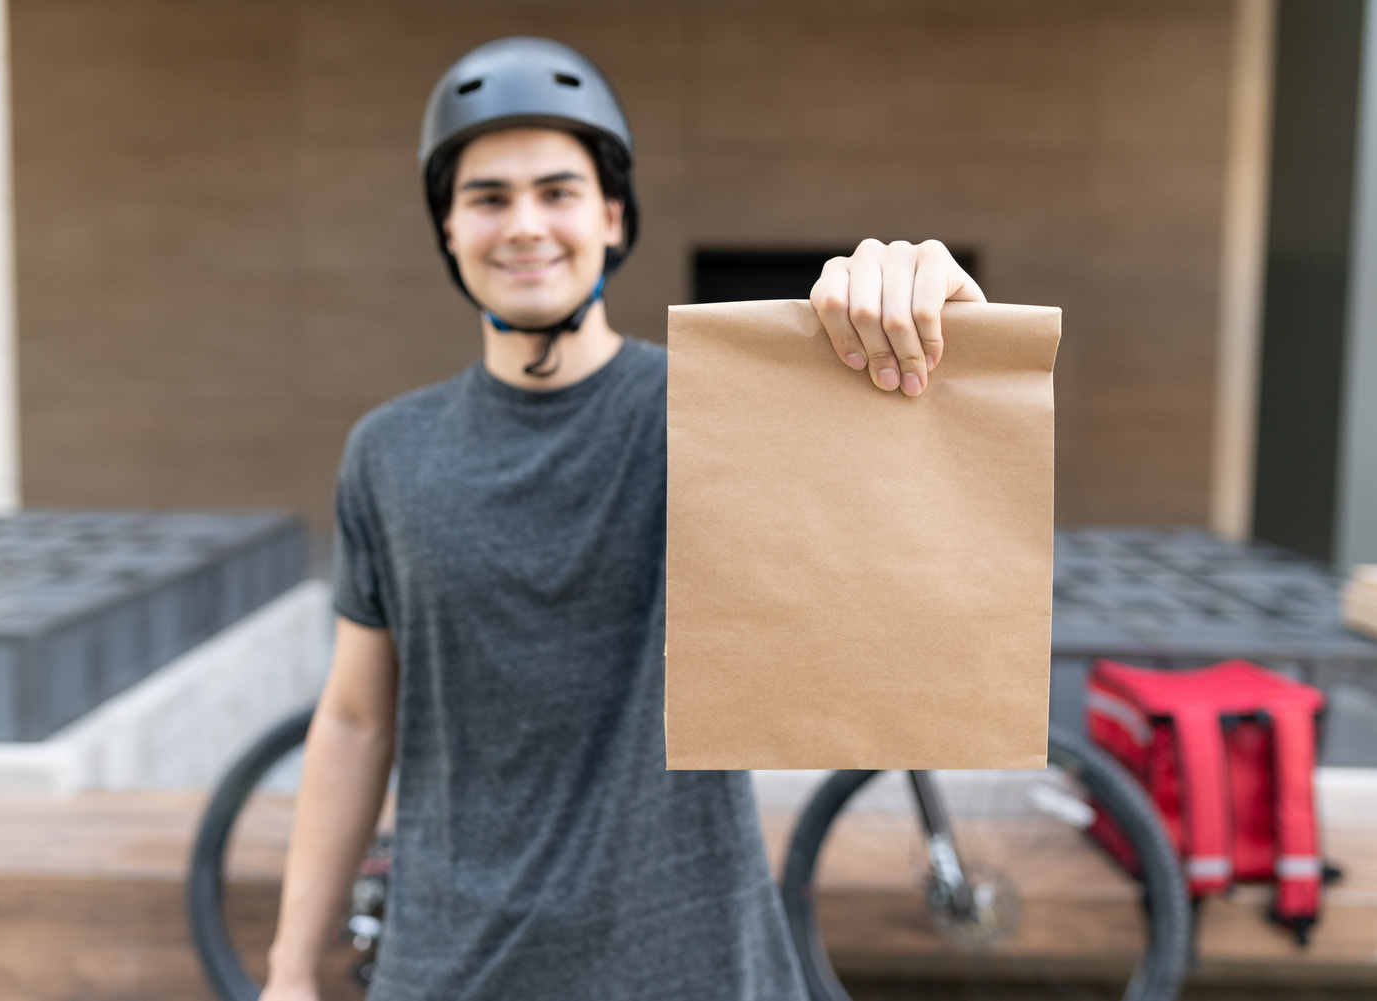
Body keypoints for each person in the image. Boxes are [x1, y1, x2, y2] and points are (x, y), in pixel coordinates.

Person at [262, 37, 985, 1001]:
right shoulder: (387, 451)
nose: (524, 225)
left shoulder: (715, 404)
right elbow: (355, 719)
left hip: (698, 966)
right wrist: (288, 971)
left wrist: (936, 322)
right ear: (447, 228)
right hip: (450, 967)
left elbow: (906, 510)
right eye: (488, 197)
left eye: (558, 191)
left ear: (611, 216)